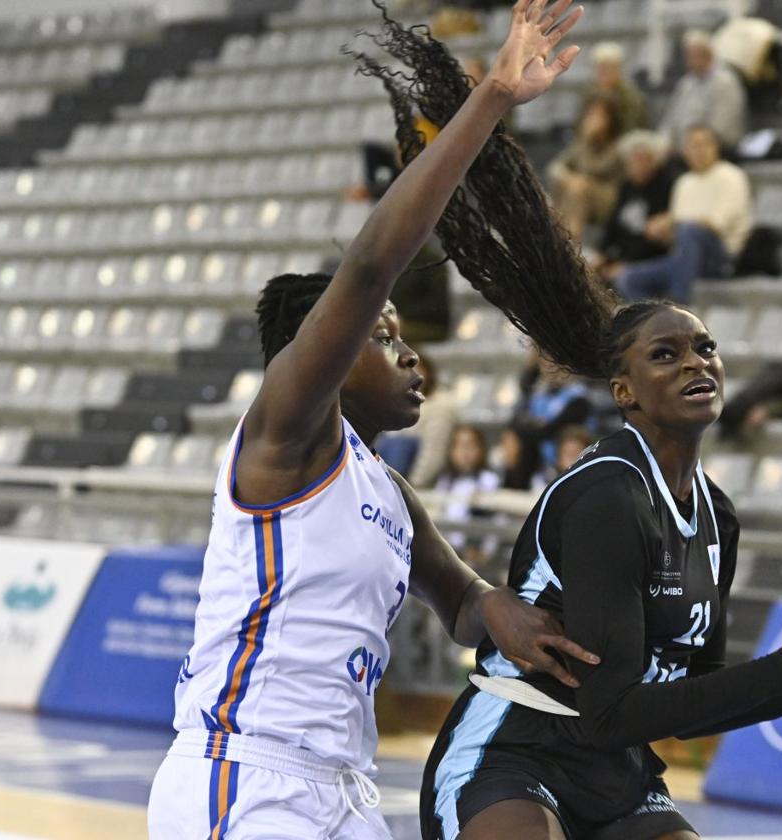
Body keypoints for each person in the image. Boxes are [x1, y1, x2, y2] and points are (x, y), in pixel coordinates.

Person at [357, 19, 782, 840]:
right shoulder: (603, 498)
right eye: (668, 353)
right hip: (517, 750)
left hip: (614, 766)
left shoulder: (716, 515)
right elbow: (609, 706)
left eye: (707, 348)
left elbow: (687, 703)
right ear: (625, 391)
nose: (699, 363)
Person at [146, 5, 598, 838]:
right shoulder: (283, 435)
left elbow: (457, 596)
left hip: (344, 786)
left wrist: (510, 614)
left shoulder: (384, 487)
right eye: (383, 337)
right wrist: (490, 98)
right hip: (246, 775)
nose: (409, 353)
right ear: (315, 352)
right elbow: (371, 263)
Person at [614, 125, 753, 303]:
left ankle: (679, 306)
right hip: (684, 257)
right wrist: (661, 231)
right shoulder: (683, 183)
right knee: (627, 278)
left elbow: (715, 226)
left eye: (703, 145)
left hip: (722, 258)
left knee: (690, 231)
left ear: (715, 147)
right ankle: (653, 324)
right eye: (693, 146)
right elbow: (676, 234)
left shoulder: (732, 176)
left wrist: (674, 224)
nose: (698, 151)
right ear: (684, 151)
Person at [594, 130, 677, 284]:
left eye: (644, 159)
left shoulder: (664, 186)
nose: (638, 164)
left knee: (623, 278)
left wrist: (624, 264)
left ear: (654, 161)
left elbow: (653, 235)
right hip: (621, 256)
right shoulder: (626, 187)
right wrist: (602, 254)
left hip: (649, 258)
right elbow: (612, 225)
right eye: (634, 159)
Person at [547, 95, 624, 242]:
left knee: (578, 188)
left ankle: (571, 241)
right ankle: (556, 233)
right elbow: (555, 168)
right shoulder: (581, 143)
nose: (594, 120)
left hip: (609, 198)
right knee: (568, 184)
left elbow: (589, 170)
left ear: (611, 119)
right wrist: (568, 178)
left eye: (600, 115)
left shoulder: (618, 146)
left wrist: (587, 139)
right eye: (591, 114)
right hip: (581, 192)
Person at [375, 353, 460, 486]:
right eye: (406, 369)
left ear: (428, 373)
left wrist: (412, 485)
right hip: (386, 480)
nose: (412, 375)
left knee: (401, 445)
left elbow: (433, 453)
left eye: (417, 368)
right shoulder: (394, 403)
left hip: (412, 484)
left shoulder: (440, 406)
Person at [659, 29, 747, 149]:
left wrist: (692, 145)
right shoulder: (686, 83)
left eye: (695, 55)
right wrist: (663, 144)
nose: (690, 60)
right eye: (688, 55)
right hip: (684, 148)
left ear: (709, 54)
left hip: (717, 148)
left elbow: (720, 127)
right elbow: (670, 121)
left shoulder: (725, 82)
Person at [436, 425, 504, 568]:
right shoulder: (445, 481)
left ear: (481, 450)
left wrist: (486, 552)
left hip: (476, 555)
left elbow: (497, 521)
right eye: (460, 446)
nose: (465, 453)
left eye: (471, 446)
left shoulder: (489, 480)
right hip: (449, 552)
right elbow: (439, 515)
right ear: (451, 451)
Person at [581, 41, 648, 135]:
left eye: (607, 68)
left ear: (618, 70)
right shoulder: (590, 95)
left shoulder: (631, 98)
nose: (602, 73)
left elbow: (632, 129)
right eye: (599, 68)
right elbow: (581, 127)